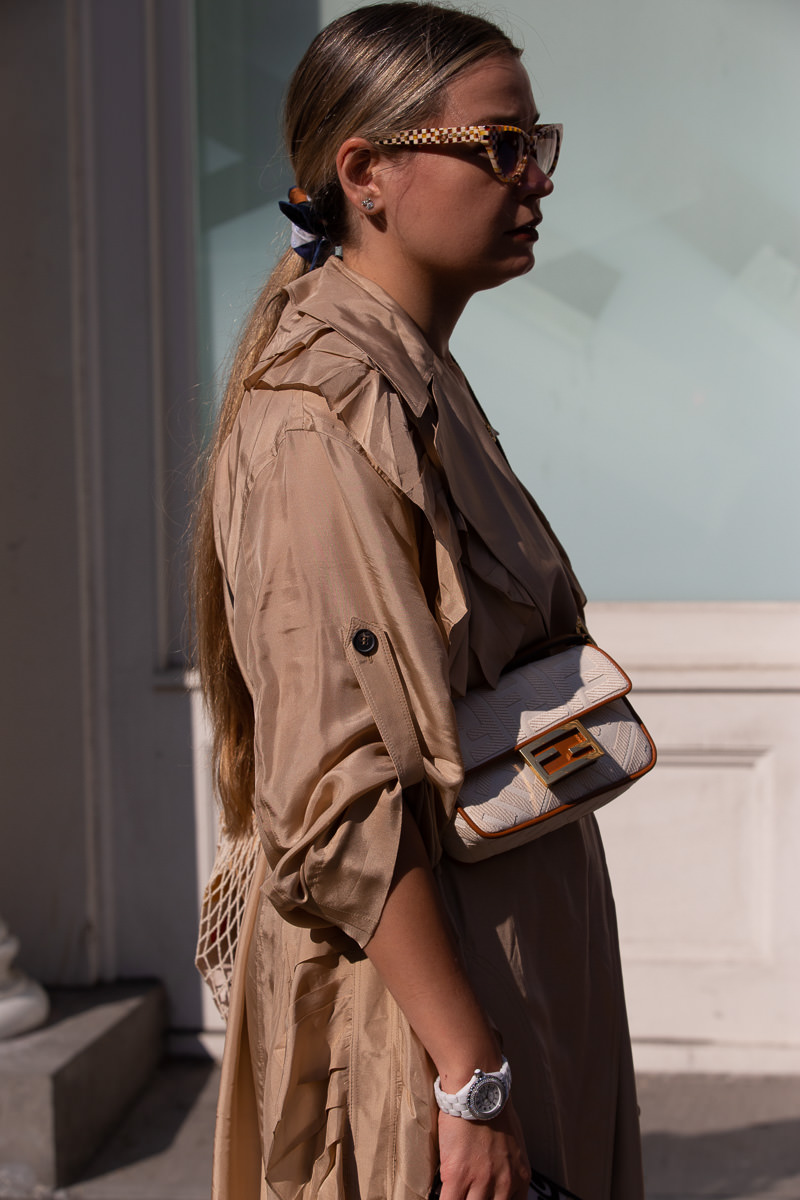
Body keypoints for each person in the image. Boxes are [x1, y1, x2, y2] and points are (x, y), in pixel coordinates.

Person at [192, 4, 644, 1198]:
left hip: (509, 979)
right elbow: (336, 796)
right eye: (498, 146)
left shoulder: (413, 369)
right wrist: (470, 1078)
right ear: (366, 173)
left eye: (536, 143)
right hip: (423, 1025)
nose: (532, 178)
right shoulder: (318, 417)